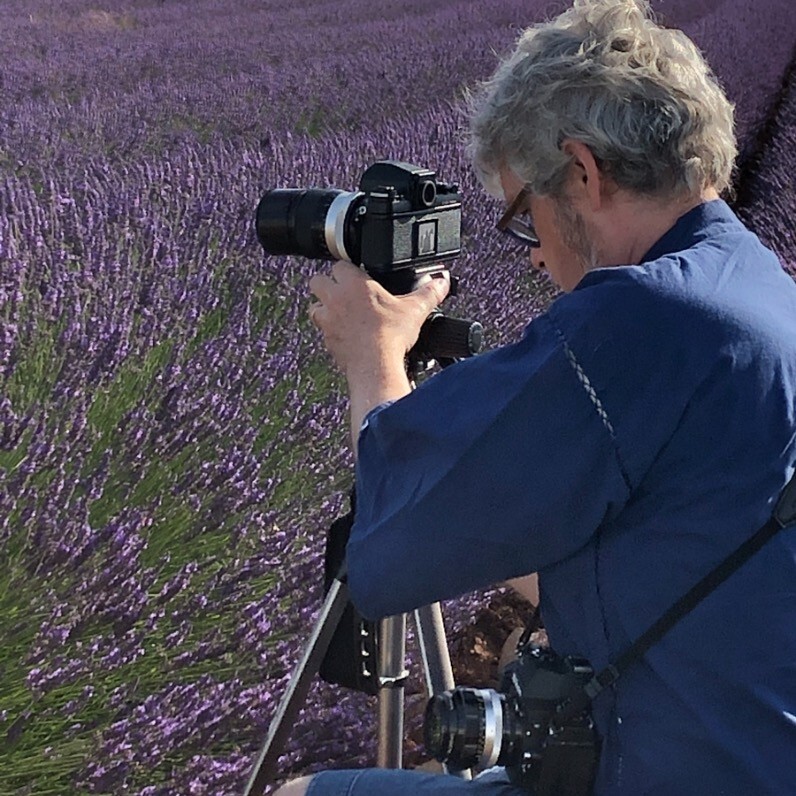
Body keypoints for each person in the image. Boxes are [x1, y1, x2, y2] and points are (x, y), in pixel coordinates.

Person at [274, 0, 796, 793]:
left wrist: (371, 354)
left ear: (582, 172)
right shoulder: (756, 283)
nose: (531, 255)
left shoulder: (640, 319)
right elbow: (653, 555)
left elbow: (396, 548)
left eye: (524, 214)